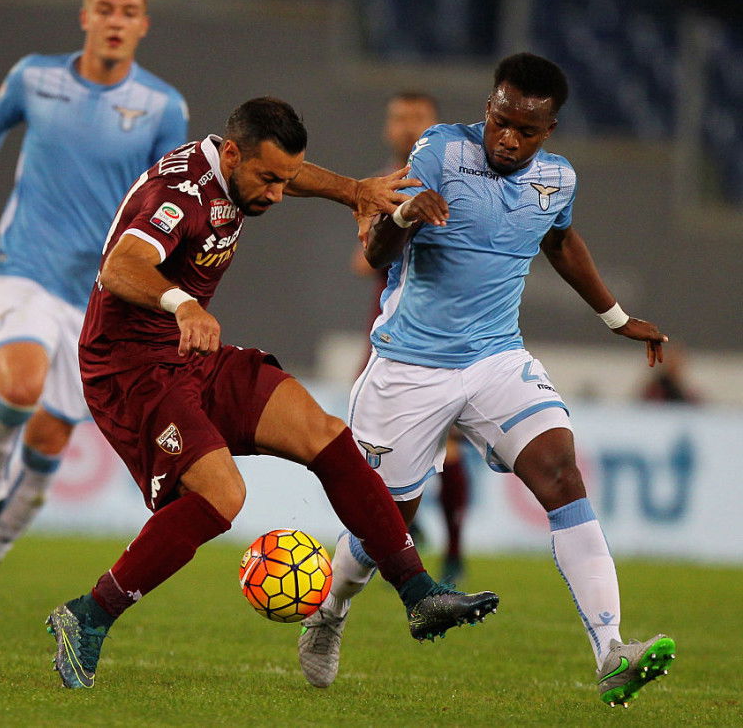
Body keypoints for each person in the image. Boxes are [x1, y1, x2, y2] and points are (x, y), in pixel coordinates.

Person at [44, 97, 500, 689]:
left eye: (284, 179)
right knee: (222, 496)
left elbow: (287, 169)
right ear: (231, 154)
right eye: (267, 179)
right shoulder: (179, 193)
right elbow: (119, 268)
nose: (277, 194)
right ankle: (88, 616)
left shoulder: (243, 166)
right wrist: (182, 302)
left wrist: (353, 191)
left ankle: (418, 593)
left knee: (326, 434)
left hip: (188, 354)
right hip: (130, 367)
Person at [297, 54, 677, 708]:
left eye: (524, 131)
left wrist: (615, 318)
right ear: (490, 106)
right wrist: (407, 217)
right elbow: (378, 251)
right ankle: (329, 611)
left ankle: (612, 652)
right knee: (389, 520)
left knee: (562, 474)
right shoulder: (441, 151)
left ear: (548, 130)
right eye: (499, 120)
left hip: (496, 358)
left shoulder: (558, 179)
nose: (506, 137)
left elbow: (560, 241)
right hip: (409, 365)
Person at [0, 0, 189, 616]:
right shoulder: (36, 76)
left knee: (50, 442)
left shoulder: (163, 107)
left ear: (143, 25)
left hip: (98, 300)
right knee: (18, 387)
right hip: (26, 268)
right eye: (104, 9)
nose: (114, 21)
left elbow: (170, 200)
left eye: (127, 12)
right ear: (85, 16)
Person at [351, 91, 470, 583]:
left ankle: (454, 550)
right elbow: (362, 262)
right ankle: (404, 531)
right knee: (372, 450)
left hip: (446, 330)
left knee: (452, 443)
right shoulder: (384, 183)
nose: (405, 126)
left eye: (416, 117)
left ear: (436, 125)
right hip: (389, 328)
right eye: (398, 116)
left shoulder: (454, 178)